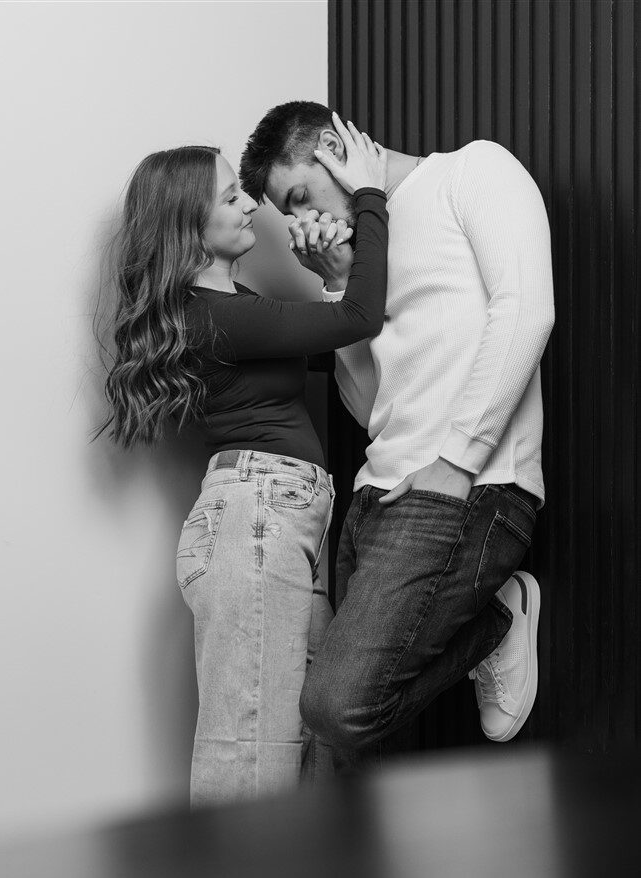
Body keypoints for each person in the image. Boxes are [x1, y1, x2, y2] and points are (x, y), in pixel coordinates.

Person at [240, 101, 555, 757]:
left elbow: (527, 312)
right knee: (340, 743)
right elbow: (370, 409)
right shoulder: (365, 247)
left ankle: (495, 621)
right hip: (374, 496)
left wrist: (456, 464)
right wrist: (336, 285)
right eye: (289, 213)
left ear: (333, 148)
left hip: (468, 488)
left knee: (334, 710)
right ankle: (487, 622)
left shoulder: (472, 171)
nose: (301, 223)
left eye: (299, 197)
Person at [96, 123, 388, 803]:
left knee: (311, 744)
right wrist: (370, 195)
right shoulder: (214, 318)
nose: (251, 205)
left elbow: (331, 345)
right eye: (231, 197)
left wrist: (330, 273)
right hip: (257, 522)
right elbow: (359, 318)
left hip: (278, 523)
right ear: (190, 228)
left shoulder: (233, 311)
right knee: (251, 757)